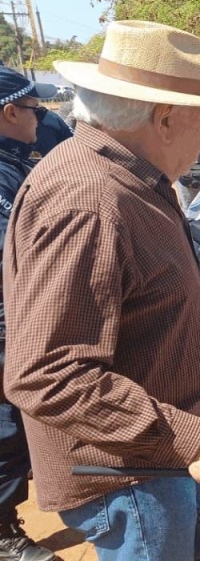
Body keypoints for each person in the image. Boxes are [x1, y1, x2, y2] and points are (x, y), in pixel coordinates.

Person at [5, 20, 200, 561]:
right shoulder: (88, 198)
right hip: (135, 477)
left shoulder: (131, 179)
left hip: (170, 460)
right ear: (164, 119)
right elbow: (48, 373)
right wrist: (196, 438)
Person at [0, 66, 57, 561]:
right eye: (34, 109)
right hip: (6, 324)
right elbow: (16, 253)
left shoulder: (12, 163)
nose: (41, 118)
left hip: (13, 320)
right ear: (9, 112)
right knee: (5, 430)